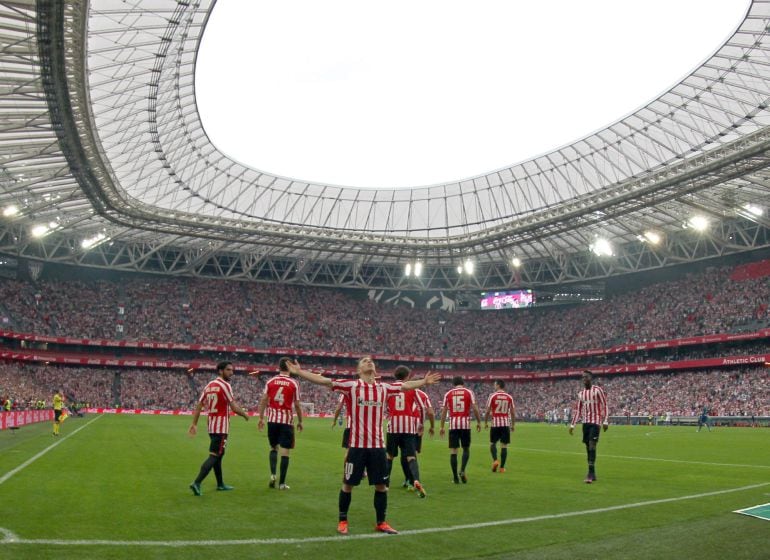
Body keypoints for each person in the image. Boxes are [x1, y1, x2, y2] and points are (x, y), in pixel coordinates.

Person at [287, 356, 440, 536]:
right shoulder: (351, 386)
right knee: (347, 484)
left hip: (377, 447)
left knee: (381, 486)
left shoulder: (384, 388)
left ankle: (381, 522)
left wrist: (424, 381)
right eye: (364, 361)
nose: (369, 362)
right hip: (357, 447)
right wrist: (299, 373)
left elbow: (405, 386)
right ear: (359, 370)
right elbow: (324, 381)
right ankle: (343, 520)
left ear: (375, 369)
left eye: (371, 361)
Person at [188, 361, 249, 496]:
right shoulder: (225, 385)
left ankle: (220, 484)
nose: (231, 373)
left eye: (232, 370)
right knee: (214, 455)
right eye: (228, 370)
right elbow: (233, 407)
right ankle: (197, 482)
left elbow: (199, 405)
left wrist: (194, 423)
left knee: (218, 455)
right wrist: (245, 414)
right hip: (221, 427)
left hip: (211, 426)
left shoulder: (209, 386)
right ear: (220, 371)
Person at [385, 365, 434, 498]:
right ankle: (415, 480)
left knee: (389, 456)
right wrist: (421, 424)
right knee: (411, 456)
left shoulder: (389, 388)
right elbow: (422, 407)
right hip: (408, 425)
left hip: (394, 424)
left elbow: (386, 407)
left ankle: (386, 484)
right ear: (408, 376)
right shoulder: (412, 388)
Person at [256, 357, 303, 490]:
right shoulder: (294, 383)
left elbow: (264, 399)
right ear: (289, 367)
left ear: (279, 367)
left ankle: (272, 474)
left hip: (272, 420)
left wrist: (260, 418)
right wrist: (300, 421)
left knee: (273, 448)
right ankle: (282, 483)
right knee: (285, 452)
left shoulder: (270, 382)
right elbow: (297, 405)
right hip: (286, 421)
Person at [569, 370, 609, 484]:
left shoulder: (597, 390)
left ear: (591, 378)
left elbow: (605, 405)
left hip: (596, 422)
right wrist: (573, 424)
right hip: (585, 423)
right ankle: (593, 472)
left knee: (592, 445)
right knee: (588, 448)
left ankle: (590, 474)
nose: (584, 379)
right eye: (582, 377)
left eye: (586, 377)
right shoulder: (581, 394)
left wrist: (605, 421)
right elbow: (578, 410)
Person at [439, 376, 481, 484]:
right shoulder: (468, 392)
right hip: (465, 425)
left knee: (453, 451)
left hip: (453, 425)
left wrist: (442, 426)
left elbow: (444, 411)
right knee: (466, 449)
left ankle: (455, 478)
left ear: (453, 384)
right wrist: (479, 422)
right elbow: (475, 408)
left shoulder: (448, 394)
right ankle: (462, 470)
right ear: (463, 383)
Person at [484, 380, 515, 473]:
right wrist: (513, 424)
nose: (494, 386)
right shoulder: (509, 397)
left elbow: (487, 411)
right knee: (504, 446)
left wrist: (485, 422)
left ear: (498, 385)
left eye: (495, 384)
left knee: (492, 443)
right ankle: (502, 468)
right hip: (505, 424)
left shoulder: (492, 396)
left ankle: (495, 460)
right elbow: (513, 412)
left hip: (495, 424)